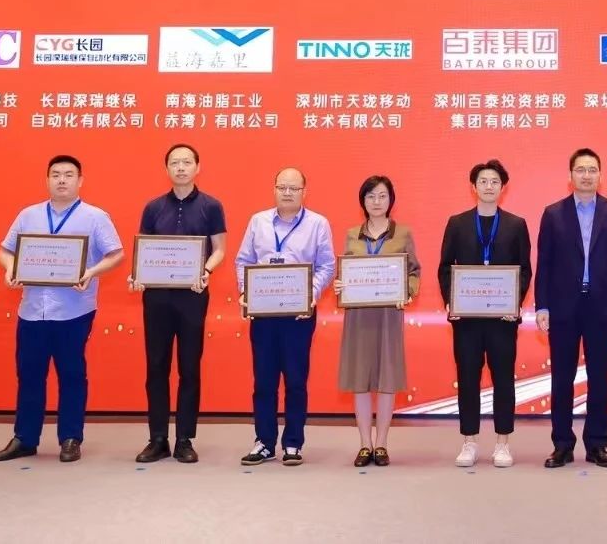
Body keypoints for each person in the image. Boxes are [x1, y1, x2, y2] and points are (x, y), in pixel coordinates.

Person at [0, 155, 124, 463]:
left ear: (80, 181)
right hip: (32, 310)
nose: (62, 180)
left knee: (72, 374)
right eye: (56, 175)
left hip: (74, 310)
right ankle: (25, 438)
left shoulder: (95, 217)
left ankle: (71, 438)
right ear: (47, 180)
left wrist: (91, 272)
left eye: (68, 175)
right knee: (29, 374)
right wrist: (10, 268)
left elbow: (116, 254)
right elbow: (5, 251)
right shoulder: (28, 215)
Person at [535, 148, 607, 469]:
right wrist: (542, 305)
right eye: (581, 170)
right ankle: (562, 445)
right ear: (570, 176)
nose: (586, 175)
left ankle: (597, 444)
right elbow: (544, 264)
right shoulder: (553, 214)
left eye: (592, 170)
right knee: (562, 378)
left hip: (602, 305)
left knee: (599, 377)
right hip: (563, 306)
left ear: (600, 176)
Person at [130, 143, 227, 464]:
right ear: (166, 169)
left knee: (189, 367)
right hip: (156, 296)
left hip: (193, 295)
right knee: (156, 366)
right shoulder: (153, 207)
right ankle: (157, 438)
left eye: (187, 162)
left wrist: (206, 270)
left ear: (198, 167)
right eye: (175, 163)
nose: (181, 167)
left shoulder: (211, 206)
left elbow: (219, 249)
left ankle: (185, 439)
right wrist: (138, 274)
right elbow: (144, 250)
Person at [233, 167, 335, 467]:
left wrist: (310, 293)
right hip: (263, 313)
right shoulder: (258, 221)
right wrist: (246, 291)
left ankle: (293, 443)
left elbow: (327, 266)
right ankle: (264, 442)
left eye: (294, 188)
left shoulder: (317, 224)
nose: (287, 193)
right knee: (263, 381)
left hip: (299, 315)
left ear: (304, 191)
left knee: (296, 380)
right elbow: (243, 261)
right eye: (282, 187)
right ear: (274, 189)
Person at [439, 159, 532, 468]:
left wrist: (514, 302)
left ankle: (503, 442)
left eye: (494, 181)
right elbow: (445, 267)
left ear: (502, 187)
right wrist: (450, 301)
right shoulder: (457, 223)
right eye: (483, 181)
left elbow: (525, 269)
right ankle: (469, 441)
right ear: (473, 187)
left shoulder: (516, 224)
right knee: (467, 378)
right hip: (466, 319)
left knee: (503, 379)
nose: (488, 186)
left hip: (502, 320)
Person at [337, 175, 421, 468]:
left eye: (382, 196)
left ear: (390, 200)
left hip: (388, 314)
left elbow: (414, 272)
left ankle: (382, 443)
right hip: (358, 315)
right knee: (360, 380)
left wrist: (407, 292)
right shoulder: (351, 234)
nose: (376, 201)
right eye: (371, 196)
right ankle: (365, 444)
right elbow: (345, 271)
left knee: (387, 379)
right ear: (363, 201)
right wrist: (340, 284)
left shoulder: (403, 234)